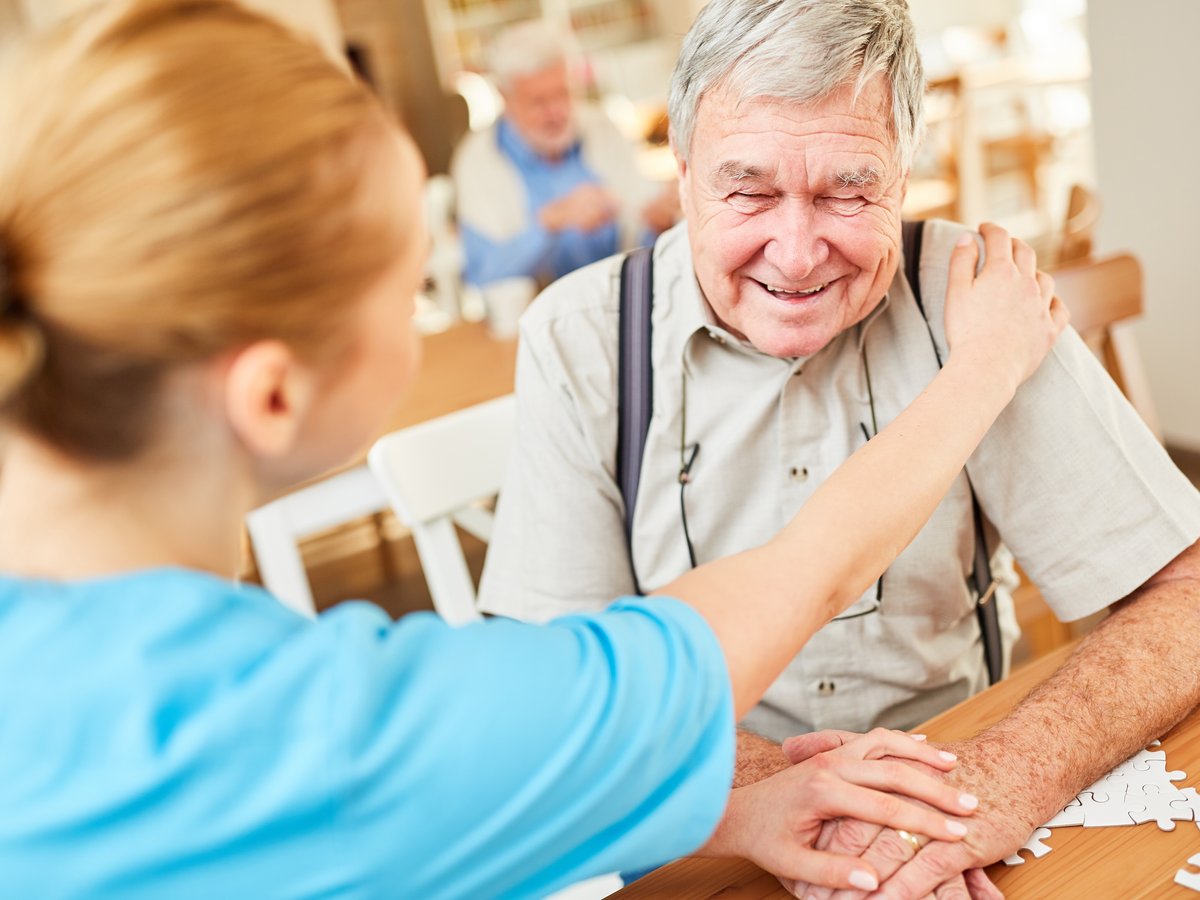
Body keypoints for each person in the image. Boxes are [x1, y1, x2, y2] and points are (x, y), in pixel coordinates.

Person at [0, 1, 1069, 896]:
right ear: (274, 395)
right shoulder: (330, 735)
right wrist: (982, 370)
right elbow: (800, 576)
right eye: (414, 271)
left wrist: (737, 814)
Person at [477, 0, 1200, 896]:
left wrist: (996, 780)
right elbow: (557, 692)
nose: (795, 250)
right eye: (747, 188)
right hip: (703, 841)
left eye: (848, 190)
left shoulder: (979, 300)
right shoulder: (580, 336)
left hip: (962, 820)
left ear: (905, 173)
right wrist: (811, 804)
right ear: (684, 170)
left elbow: (1188, 593)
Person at [450, 19, 677, 289]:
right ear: (505, 97)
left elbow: (640, 237)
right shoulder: (478, 160)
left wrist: (661, 224)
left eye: (563, 94)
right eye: (539, 101)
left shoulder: (603, 129)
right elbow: (483, 274)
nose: (556, 111)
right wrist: (548, 224)